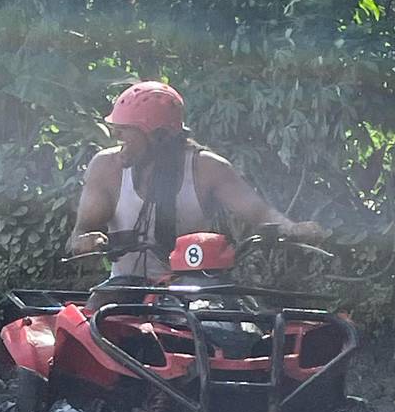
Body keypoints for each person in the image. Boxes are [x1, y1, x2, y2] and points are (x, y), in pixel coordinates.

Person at [70, 80, 328, 281]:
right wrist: (85, 241)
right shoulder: (105, 167)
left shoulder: (207, 168)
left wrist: (292, 229)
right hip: (124, 288)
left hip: (194, 287)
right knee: (87, 336)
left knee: (231, 339)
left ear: (158, 135)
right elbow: (79, 233)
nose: (116, 136)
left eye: (125, 131)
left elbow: (260, 213)